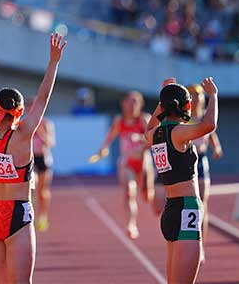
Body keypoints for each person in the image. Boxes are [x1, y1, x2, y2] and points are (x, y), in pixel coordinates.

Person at [0, 32, 66, 284]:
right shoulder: (23, 136)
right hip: (17, 213)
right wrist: (54, 61)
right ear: (19, 112)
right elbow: (42, 98)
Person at [145, 77, 218, 284]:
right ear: (186, 106)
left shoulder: (155, 134)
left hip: (171, 210)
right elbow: (209, 124)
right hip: (187, 208)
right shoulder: (178, 132)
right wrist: (213, 95)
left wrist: (164, 99)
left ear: (163, 107)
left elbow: (146, 130)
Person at [90, 91, 154, 238]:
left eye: (134, 103)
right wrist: (103, 149)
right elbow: (109, 138)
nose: (131, 106)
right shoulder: (119, 121)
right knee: (129, 192)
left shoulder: (144, 120)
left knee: (146, 196)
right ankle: (131, 224)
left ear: (140, 105)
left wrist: (138, 138)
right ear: (123, 104)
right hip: (127, 162)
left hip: (143, 162)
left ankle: (147, 190)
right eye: (128, 103)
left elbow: (153, 139)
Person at [187, 84, 223, 240]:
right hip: (186, 160)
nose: (196, 98)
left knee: (202, 202)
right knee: (189, 201)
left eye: (199, 95)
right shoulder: (184, 119)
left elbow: (211, 134)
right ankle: (189, 236)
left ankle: (201, 243)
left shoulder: (204, 118)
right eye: (192, 95)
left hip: (201, 160)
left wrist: (216, 148)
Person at [30, 107, 55, 232]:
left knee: (42, 192)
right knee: (32, 189)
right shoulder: (25, 123)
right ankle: (30, 217)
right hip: (31, 159)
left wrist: (40, 131)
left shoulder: (46, 123)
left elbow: (51, 142)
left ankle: (42, 216)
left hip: (43, 158)